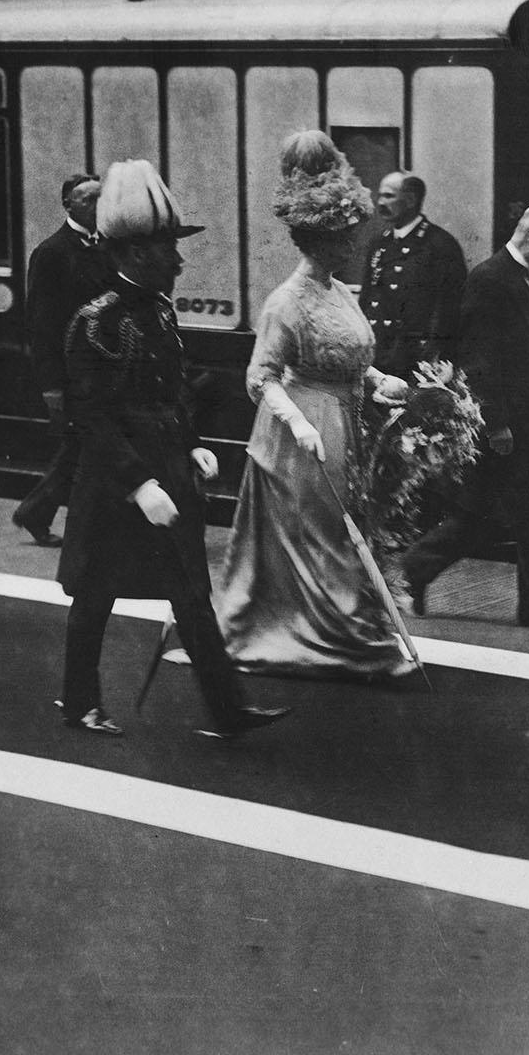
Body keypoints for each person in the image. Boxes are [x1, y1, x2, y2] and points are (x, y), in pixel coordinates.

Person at [56, 159, 290, 740]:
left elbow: (173, 388)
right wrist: (138, 484)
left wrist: (192, 444)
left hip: (165, 465)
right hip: (118, 478)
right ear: (136, 254)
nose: (180, 261)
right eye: (168, 249)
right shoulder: (95, 324)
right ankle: (79, 699)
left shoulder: (159, 309)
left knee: (191, 592)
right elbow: (91, 417)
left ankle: (227, 708)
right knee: (96, 592)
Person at [212, 131, 412, 679]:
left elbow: (350, 359)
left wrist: (380, 380)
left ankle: (352, 632)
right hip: (303, 433)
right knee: (327, 536)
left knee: (347, 529)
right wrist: (297, 420)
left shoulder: (338, 292)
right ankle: (350, 643)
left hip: (346, 423)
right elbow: (261, 377)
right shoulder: (286, 301)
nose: (352, 243)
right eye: (343, 236)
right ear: (318, 239)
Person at [401, 201, 529, 629]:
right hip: (510, 427)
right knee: (514, 515)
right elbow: (478, 356)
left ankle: (421, 569)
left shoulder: (526, 278)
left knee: (496, 515)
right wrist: (498, 420)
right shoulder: (491, 279)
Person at [10, 172, 104, 547]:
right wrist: (50, 386)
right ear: (68, 204)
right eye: (88, 200)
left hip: (97, 368)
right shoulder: (52, 252)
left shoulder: (104, 246)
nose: (98, 206)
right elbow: (41, 324)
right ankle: (38, 511)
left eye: (102, 198)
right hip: (69, 373)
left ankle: (36, 511)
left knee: (80, 445)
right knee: (81, 445)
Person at [360, 171, 467, 381]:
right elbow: (368, 298)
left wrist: (436, 355)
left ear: (410, 200)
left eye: (389, 196)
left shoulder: (439, 245)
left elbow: (449, 310)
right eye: (380, 196)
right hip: (377, 357)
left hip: (414, 361)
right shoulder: (379, 244)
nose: (380, 202)